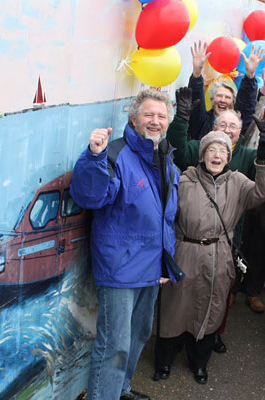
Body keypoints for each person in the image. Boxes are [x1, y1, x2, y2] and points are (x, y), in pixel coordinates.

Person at [70, 89, 180, 400]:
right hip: (119, 268)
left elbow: (165, 219)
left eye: (161, 116)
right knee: (114, 343)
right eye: (148, 115)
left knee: (140, 333)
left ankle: (121, 389)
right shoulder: (115, 154)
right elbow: (90, 196)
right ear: (133, 118)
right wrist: (94, 156)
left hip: (151, 267)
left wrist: (165, 261)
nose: (155, 121)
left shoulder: (167, 160)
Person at [154, 131, 265, 384]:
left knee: (211, 309)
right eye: (211, 150)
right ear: (203, 155)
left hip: (218, 254)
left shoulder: (238, 182)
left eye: (222, 151)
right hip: (185, 250)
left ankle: (199, 362)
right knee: (174, 308)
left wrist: (263, 163)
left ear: (229, 157)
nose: (216, 155)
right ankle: (164, 361)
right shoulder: (186, 179)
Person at [187, 40, 264, 140]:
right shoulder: (203, 122)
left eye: (227, 97)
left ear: (233, 102)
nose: (223, 100)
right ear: (212, 100)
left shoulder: (238, 124)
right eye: (219, 96)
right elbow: (196, 104)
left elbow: (246, 105)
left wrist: (250, 76)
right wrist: (196, 74)